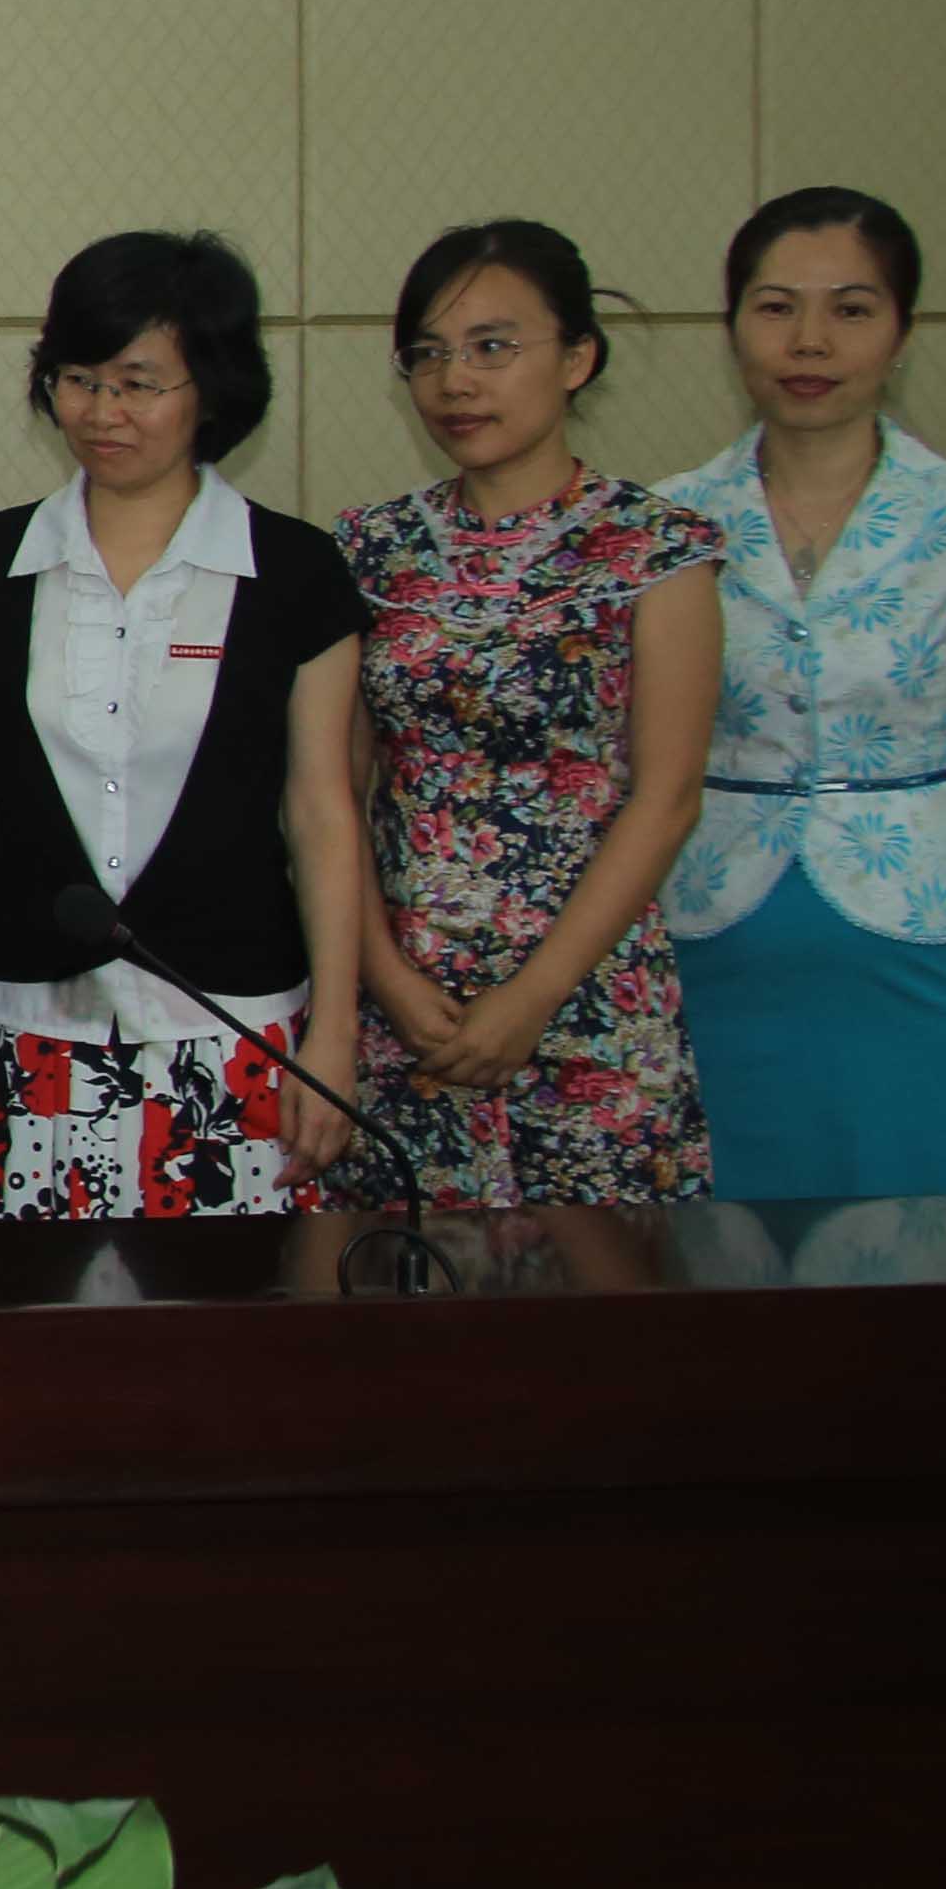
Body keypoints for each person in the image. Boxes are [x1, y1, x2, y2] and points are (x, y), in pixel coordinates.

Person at [0, 232, 372, 1221]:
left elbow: (324, 813)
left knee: (233, 1315)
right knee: (12, 1312)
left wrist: (335, 1034)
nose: (102, 412)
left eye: (139, 384)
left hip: (235, 1032)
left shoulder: (297, 573)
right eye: (79, 379)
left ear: (213, 387)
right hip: (18, 1031)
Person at [656, 187, 946, 1199]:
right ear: (733, 326)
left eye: (852, 309)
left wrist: (929, 857)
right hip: (711, 941)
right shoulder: (668, 523)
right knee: (719, 1257)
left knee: (928, 1249)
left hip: (920, 953)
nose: (811, 341)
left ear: (902, 332)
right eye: (776, 307)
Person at [338, 218, 728, 1206]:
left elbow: (668, 799)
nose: (456, 382)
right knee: (404, 1284)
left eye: (493, 347)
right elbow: (331, 793)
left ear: (578, 358)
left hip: (588, 998)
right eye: (429, 354)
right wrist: (383, 973)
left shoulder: (657, 549)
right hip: (406, 1007)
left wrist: (533, 997)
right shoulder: (369, 549)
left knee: (601, 1294)